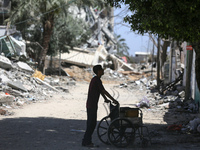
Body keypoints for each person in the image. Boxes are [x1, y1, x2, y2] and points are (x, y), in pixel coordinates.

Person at [82, 65, 118, 147]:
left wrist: (105, 99)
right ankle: (86, 141)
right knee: (91, 124)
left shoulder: (95, 80)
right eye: (102, 69)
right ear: (98, 71)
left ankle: (86, 141)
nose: (103, 71)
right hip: (92, 105)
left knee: (91, 123)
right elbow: (103, 91)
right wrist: (113, 99)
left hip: (92, 104)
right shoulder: (96, 80)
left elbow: (100, 91)